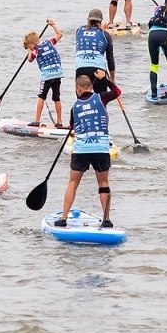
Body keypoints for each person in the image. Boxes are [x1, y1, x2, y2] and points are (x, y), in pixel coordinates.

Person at [55, 70, 119, 227]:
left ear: (78, 88)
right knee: (103, 183)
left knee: (73, 183)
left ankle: (63, 218)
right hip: (100, 148)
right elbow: (117, 91)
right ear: (91, 87)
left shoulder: (75, 107)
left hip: (81, 148)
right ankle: (107, 220)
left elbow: (72, 127)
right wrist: (105, 79)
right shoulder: (102, 97)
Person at [26, 20, 64, 127]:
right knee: (57, 98)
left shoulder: (35, 50)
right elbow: (59, 34)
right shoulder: (50, 42)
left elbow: (30, 59)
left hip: (47, 76)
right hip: (57, 74)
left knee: (41, 97)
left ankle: (37, 120)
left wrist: (29, 51)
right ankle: (59, 122)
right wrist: (52, 24)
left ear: (32, 44)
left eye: (30, 46)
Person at [74, 8, 116, 94]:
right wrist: (112, 79)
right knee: (101, 101)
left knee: (82, 101)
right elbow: (110, 59)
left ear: (88, 19)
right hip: (98, 70)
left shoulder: (79, 31)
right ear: (100, 22)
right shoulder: (106, 35)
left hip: (80, 68)